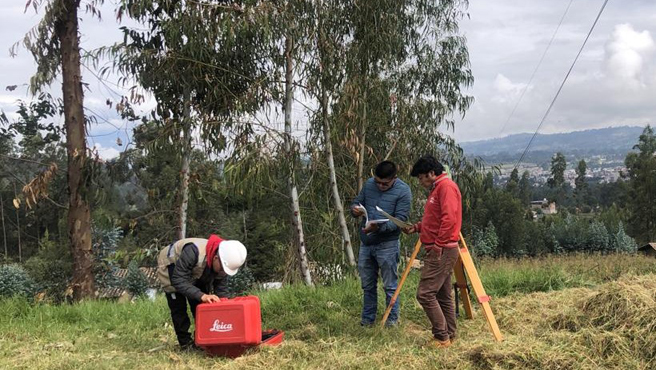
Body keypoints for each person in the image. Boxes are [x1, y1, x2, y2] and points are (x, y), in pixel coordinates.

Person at [403, 155, 462, 348]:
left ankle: (441, 337)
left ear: (431, 173)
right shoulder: (437, 189)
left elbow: (449, 219)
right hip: (440, 247)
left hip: (442, 249)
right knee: (442, 295)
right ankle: (450, 335)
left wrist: (438, 245)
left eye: (421, 178)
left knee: (425, 294)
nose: (420, 182)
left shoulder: (446, 188)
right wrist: (418, 227)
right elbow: (435, 219)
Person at [156, 234, 247, 349]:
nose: (223, 273)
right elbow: (178, 280)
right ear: (215, 258)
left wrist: (225, 309)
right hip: (171, 265)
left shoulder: (223, 263)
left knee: (200, 304)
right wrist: (202, 295)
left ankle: (203, 338)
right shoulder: (193, 251)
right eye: (223, 269)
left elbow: (221, 290)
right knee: (179, 307)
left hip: (195, 269)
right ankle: (185, 343)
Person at [351, 160, 412, 327]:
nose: (380, 186)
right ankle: (367, 320)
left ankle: (391, 321)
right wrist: (355, 210)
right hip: (366, 243)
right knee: (367, 285)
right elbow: (357, 202)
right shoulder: (369, 184)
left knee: (390, 285)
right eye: (377, 182)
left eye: (384, 183)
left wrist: (378, 228)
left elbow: (400, 221)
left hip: (388, 245)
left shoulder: (403, 191)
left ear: (394, 178)